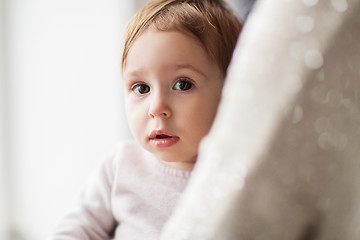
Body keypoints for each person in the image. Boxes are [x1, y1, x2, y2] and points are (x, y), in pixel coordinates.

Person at [48, 0, 241, 239]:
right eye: (141, 88)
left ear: (230, 92)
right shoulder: (121, 165)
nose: (156, 108)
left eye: (183, 84)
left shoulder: (240, 176)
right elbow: (76, 230)